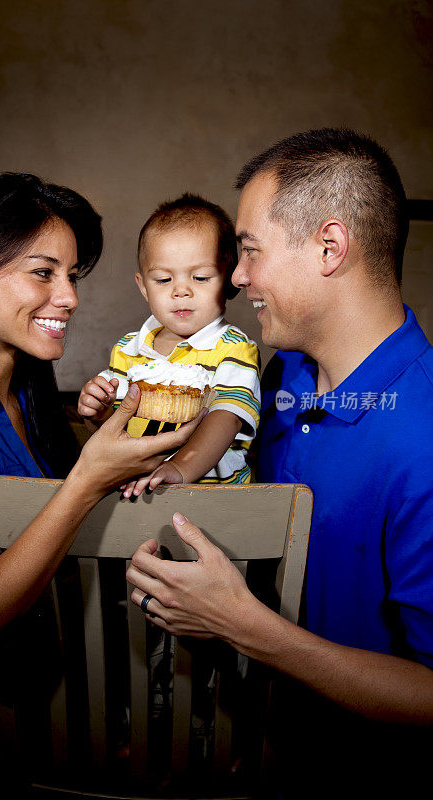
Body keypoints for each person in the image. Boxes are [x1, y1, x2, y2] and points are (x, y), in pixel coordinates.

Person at [126, 129, 433, 797]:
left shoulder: (422, 439)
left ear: (328, 247)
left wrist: (243, 625)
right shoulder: (281, 375)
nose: (235, 277)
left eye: (248, 250)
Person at [0, 172, 203, 798]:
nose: (67, 297)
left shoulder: (33, 398)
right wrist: (87, 479)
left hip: (56, 717)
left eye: (74, 276)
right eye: (43, 272)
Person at [78, 193, 261, 494]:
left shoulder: (235, 349)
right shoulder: (128, 349)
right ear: (143, 287)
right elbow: (115, 434)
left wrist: (179, 468)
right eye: (163, 280)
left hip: (214, 500)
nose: (181, 291)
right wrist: (98, 414)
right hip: (139, 491)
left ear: (229, 279)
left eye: (200, 277)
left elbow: (225, 418)